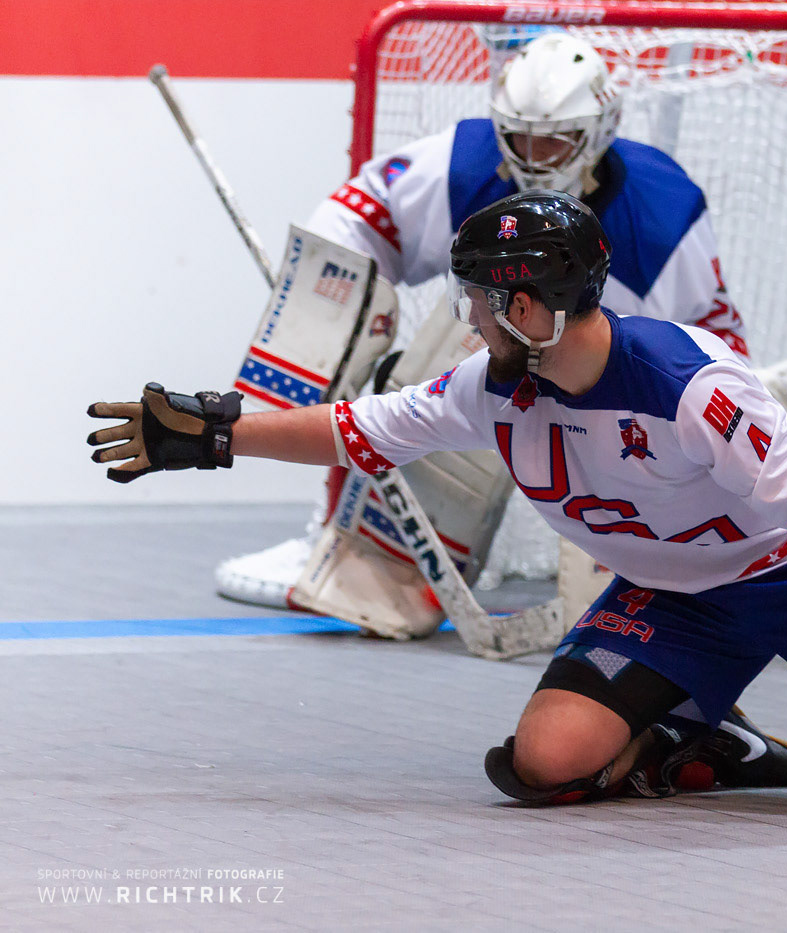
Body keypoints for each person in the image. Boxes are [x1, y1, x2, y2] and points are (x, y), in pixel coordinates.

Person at [88, 190, 787, 804]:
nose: (472, 323)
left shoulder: (690, 385)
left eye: (485, 303)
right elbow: (357, 430)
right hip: (670, 598)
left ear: (537, 305)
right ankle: (706, 739)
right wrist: (217, 434)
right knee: (541, 766)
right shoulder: (495, 386)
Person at [217, 31, 748, 610]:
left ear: (598, 131)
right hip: (497, 381)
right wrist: (343, 304)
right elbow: (357, 218)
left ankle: (658, 569)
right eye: (520, 137)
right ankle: (371, 564)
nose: (532, 157)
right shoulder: (464, 161)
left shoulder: (662, 209)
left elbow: (709, 341)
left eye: (553, 142)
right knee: (399, 332)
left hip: (610, 401)